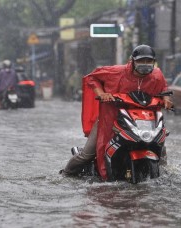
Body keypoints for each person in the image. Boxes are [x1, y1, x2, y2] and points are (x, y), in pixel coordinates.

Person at [61, 44, 173, 181]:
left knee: (159, 145)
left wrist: (166, 100)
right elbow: (92, 77)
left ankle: (165, 174)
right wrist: (102, 94)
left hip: (144, 120)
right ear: (133, 61)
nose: (145, 64)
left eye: (149, 61)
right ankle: (66, 173)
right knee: (87, 154)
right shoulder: (116, 72)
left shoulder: (157, 75)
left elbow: (164, 88)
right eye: (141, 61)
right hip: (110, 117)